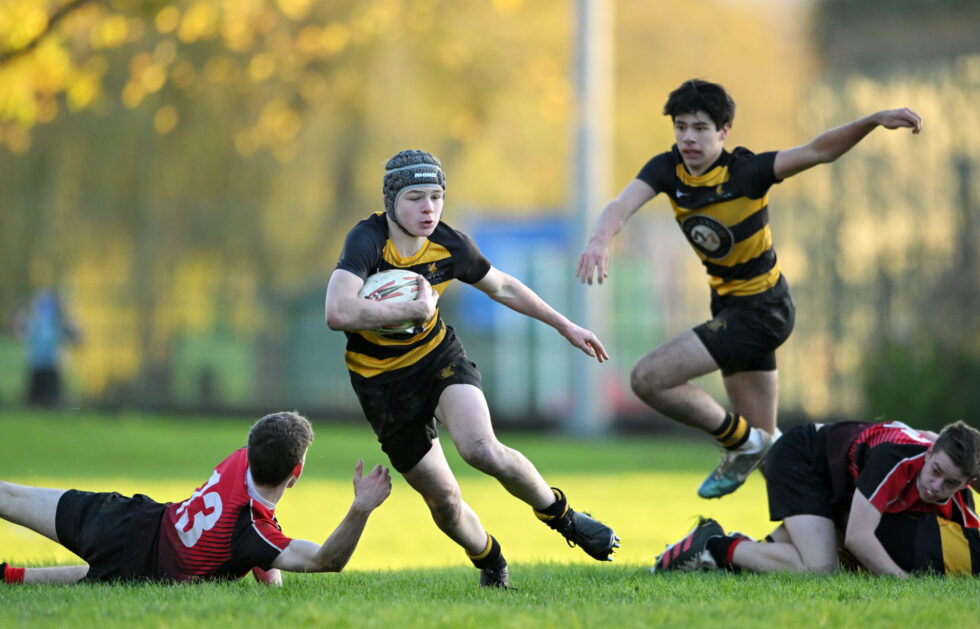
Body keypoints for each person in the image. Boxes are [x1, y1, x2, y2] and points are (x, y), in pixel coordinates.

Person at [576, 79, 923, 499]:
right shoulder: (668, 169)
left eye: (700, 128)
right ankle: (837, 525)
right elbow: (620, 205)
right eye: (681, 126)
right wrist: (600, 237)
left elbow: (817, 150)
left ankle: (742, 442)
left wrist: (872, 120)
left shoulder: (746, 172)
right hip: (730, 308)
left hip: (762, 310)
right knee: (771, 458)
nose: (688, 137)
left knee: (648, 378)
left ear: (724, 131)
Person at [324, 149, 620, 588]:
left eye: (436, 196)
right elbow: (337, 312)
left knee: (481, 447)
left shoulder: (450, 245)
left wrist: (564, 325)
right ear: (391, 202)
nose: (428, 208)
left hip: (437, 358)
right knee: (444, 501)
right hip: (381, 384)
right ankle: (490, 559)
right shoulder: (367, 241)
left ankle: (564, 517)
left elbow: (501, 286)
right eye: (415, 197)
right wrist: (414, 307)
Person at [0, 411, 392, 585]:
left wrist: (264, 567)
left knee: (12, 496)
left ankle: (10, 577)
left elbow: (259, 547)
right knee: (99, 575)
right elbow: (326, 560)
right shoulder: (252, 528)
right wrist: (360, 508)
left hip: (128, 519)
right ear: (297, 473)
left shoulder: (244, 457)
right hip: (143, 571)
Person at [652, 419, 980, 578]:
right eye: (936, 471)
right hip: (802, 459)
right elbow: (859, 538)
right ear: (929, 454)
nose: (936, 486)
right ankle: (714, 546)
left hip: (840, 486)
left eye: (950, 482)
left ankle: (714, 556)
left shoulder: (953, 483)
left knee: (786, 560)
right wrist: (903, 584)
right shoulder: (898, 459)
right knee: (820, 568)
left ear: (967, 483)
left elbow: (969, 545)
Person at [13, 288, 81, 406]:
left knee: (51, 399)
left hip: (52, 366)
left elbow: (76, 337)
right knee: (37, 399)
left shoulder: (59, 324)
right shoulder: (34, 323)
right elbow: (19, 333)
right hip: (37, 365)